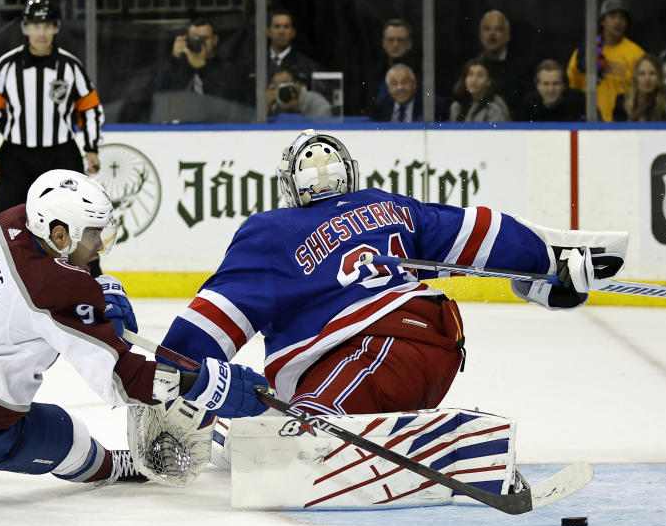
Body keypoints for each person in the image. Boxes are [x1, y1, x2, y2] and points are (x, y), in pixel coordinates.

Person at [159, 129, 627, 416]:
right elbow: (479, 232)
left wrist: (167, 374)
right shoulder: (388, 205)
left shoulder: (271, 232)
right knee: (304, 416)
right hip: (439, 343)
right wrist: (549, 264)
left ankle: (319, 426)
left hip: (371, 349)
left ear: (290, 187)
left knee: (300, 437)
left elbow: (207, 326)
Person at [0, 170, 269, 486]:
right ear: (59, 234)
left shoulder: (11, 220)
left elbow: (51, 279)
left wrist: (94, 296)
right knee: (68, 435)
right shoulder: (52, 289)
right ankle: (112, 469)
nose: (99, 244)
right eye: (93, 233)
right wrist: (201, 385)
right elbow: (120, 380)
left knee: (1, 348)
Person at [0, 0, 103, 221]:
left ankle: (82, 259)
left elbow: (90, 108)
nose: (41, 33)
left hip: (61, 154)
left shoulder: (70, 66)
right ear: (26, 28)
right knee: (3, 223)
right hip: (16, 156)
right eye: (35, 26)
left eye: (47, 26)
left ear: (56, 28)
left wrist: (91, 148)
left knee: (77, 218)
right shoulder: (7, 65)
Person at [566, 0, 645, 122]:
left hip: (623, 124)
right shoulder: (586, 51)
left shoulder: (637, 54)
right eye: (612, 16)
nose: (618, 21)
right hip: (588, 123)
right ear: (602, 21)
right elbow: (570, 88)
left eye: (622, 17)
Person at [152, 17, 243, 103]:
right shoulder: (179, 69)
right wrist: (174, 58)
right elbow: (157, 91)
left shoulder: (228, 70)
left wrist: (204, 68)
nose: (200, 43)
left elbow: (226, 99)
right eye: (195, 39)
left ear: (215, 40)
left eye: (205, 38)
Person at [467, 10, 531, 114]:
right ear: (480, 35)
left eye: (498, 29)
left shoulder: (523, 67)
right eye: (487, 29)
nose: (492, 34)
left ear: (508, 35)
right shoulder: (472, 66)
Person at [364, 19, 420, 114]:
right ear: (384, 43)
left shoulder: (422, 71)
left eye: (400, 40)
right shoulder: (372, 72)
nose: (395, 45)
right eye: (391, 40)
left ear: (409, 43)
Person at [369, 63, 448, 122]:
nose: (400, 87)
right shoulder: (379, 107)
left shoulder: (433, 105)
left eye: (405, 82)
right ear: (388, 88)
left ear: (414, 84)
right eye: (394, 83)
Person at [513, 59, 586, 122]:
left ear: (564, 85)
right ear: (538, 86)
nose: (550, 89)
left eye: (556, 83)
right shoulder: (527, 106)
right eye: (546, 84)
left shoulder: (580, 101)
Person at [612, 54, 666, 122]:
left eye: (652, 73)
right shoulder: (621, 101)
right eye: (642, 74)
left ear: (659, 77)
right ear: (635, 78)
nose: (647, 79)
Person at [266, 9, 317, 84]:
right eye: (277, 27)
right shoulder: (255, 63)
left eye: (286, 27)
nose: (281, 32)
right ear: (268, 32)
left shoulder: (308, 65)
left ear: (293, 32)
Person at [267, 69, 333, 119]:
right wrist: (267, 105)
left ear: (298, 84)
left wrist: (297, 105)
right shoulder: (273, 104)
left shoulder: (317, 102)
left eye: (286, 85)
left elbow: (325, 128)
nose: (282, 90)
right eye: (277, 86)